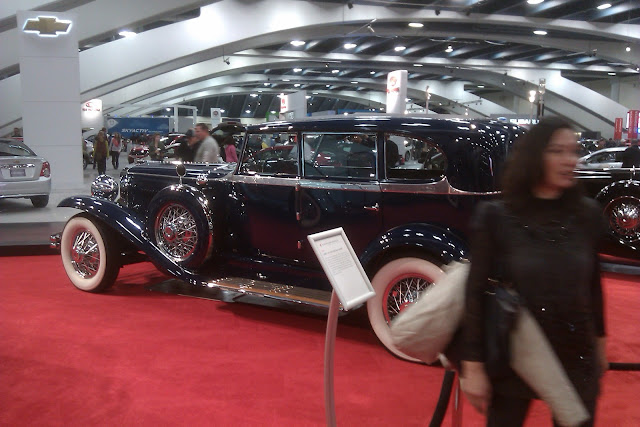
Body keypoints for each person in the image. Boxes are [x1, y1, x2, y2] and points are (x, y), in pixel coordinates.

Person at [460, 118, 607, 426]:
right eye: (557, 151)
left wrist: (600, 346)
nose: (570, 160)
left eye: (574, 151)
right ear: (535, 156)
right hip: (515, 346)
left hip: (575, 349)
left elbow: (592, 285)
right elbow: (475, 293)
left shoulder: (587, 214)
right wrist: (472, 365)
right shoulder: (496, 216)